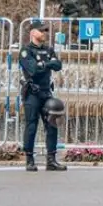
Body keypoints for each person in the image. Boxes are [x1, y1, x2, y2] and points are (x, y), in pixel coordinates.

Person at [18, 20, 66, 172]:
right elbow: (33, 70)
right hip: (32, 93)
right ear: (33, 33)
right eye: (42, 30)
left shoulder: (48, 49)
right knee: (31, 126)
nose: (45, 33)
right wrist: (47, 63)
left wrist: (44, 64)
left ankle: (51, 160)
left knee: (52, 124)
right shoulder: (26, 51)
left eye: (46, 30)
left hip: (46, 92)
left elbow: (58, 65)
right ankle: (29, 160)